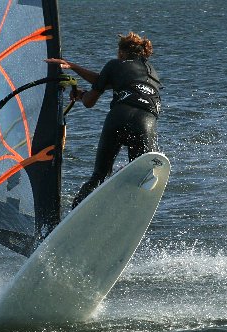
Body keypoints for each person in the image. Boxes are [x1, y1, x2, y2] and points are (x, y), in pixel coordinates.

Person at [47, 32, 162, 208]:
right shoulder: (152, 73)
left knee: (99, 176)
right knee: (140, 176)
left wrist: (82, 95)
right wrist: (75, 70)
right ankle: (127, 210)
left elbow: (90, 102)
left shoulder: (115, 65)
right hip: (145, 120)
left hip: (119, 116)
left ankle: (76, 211)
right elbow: (105, 82)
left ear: (121, 52)